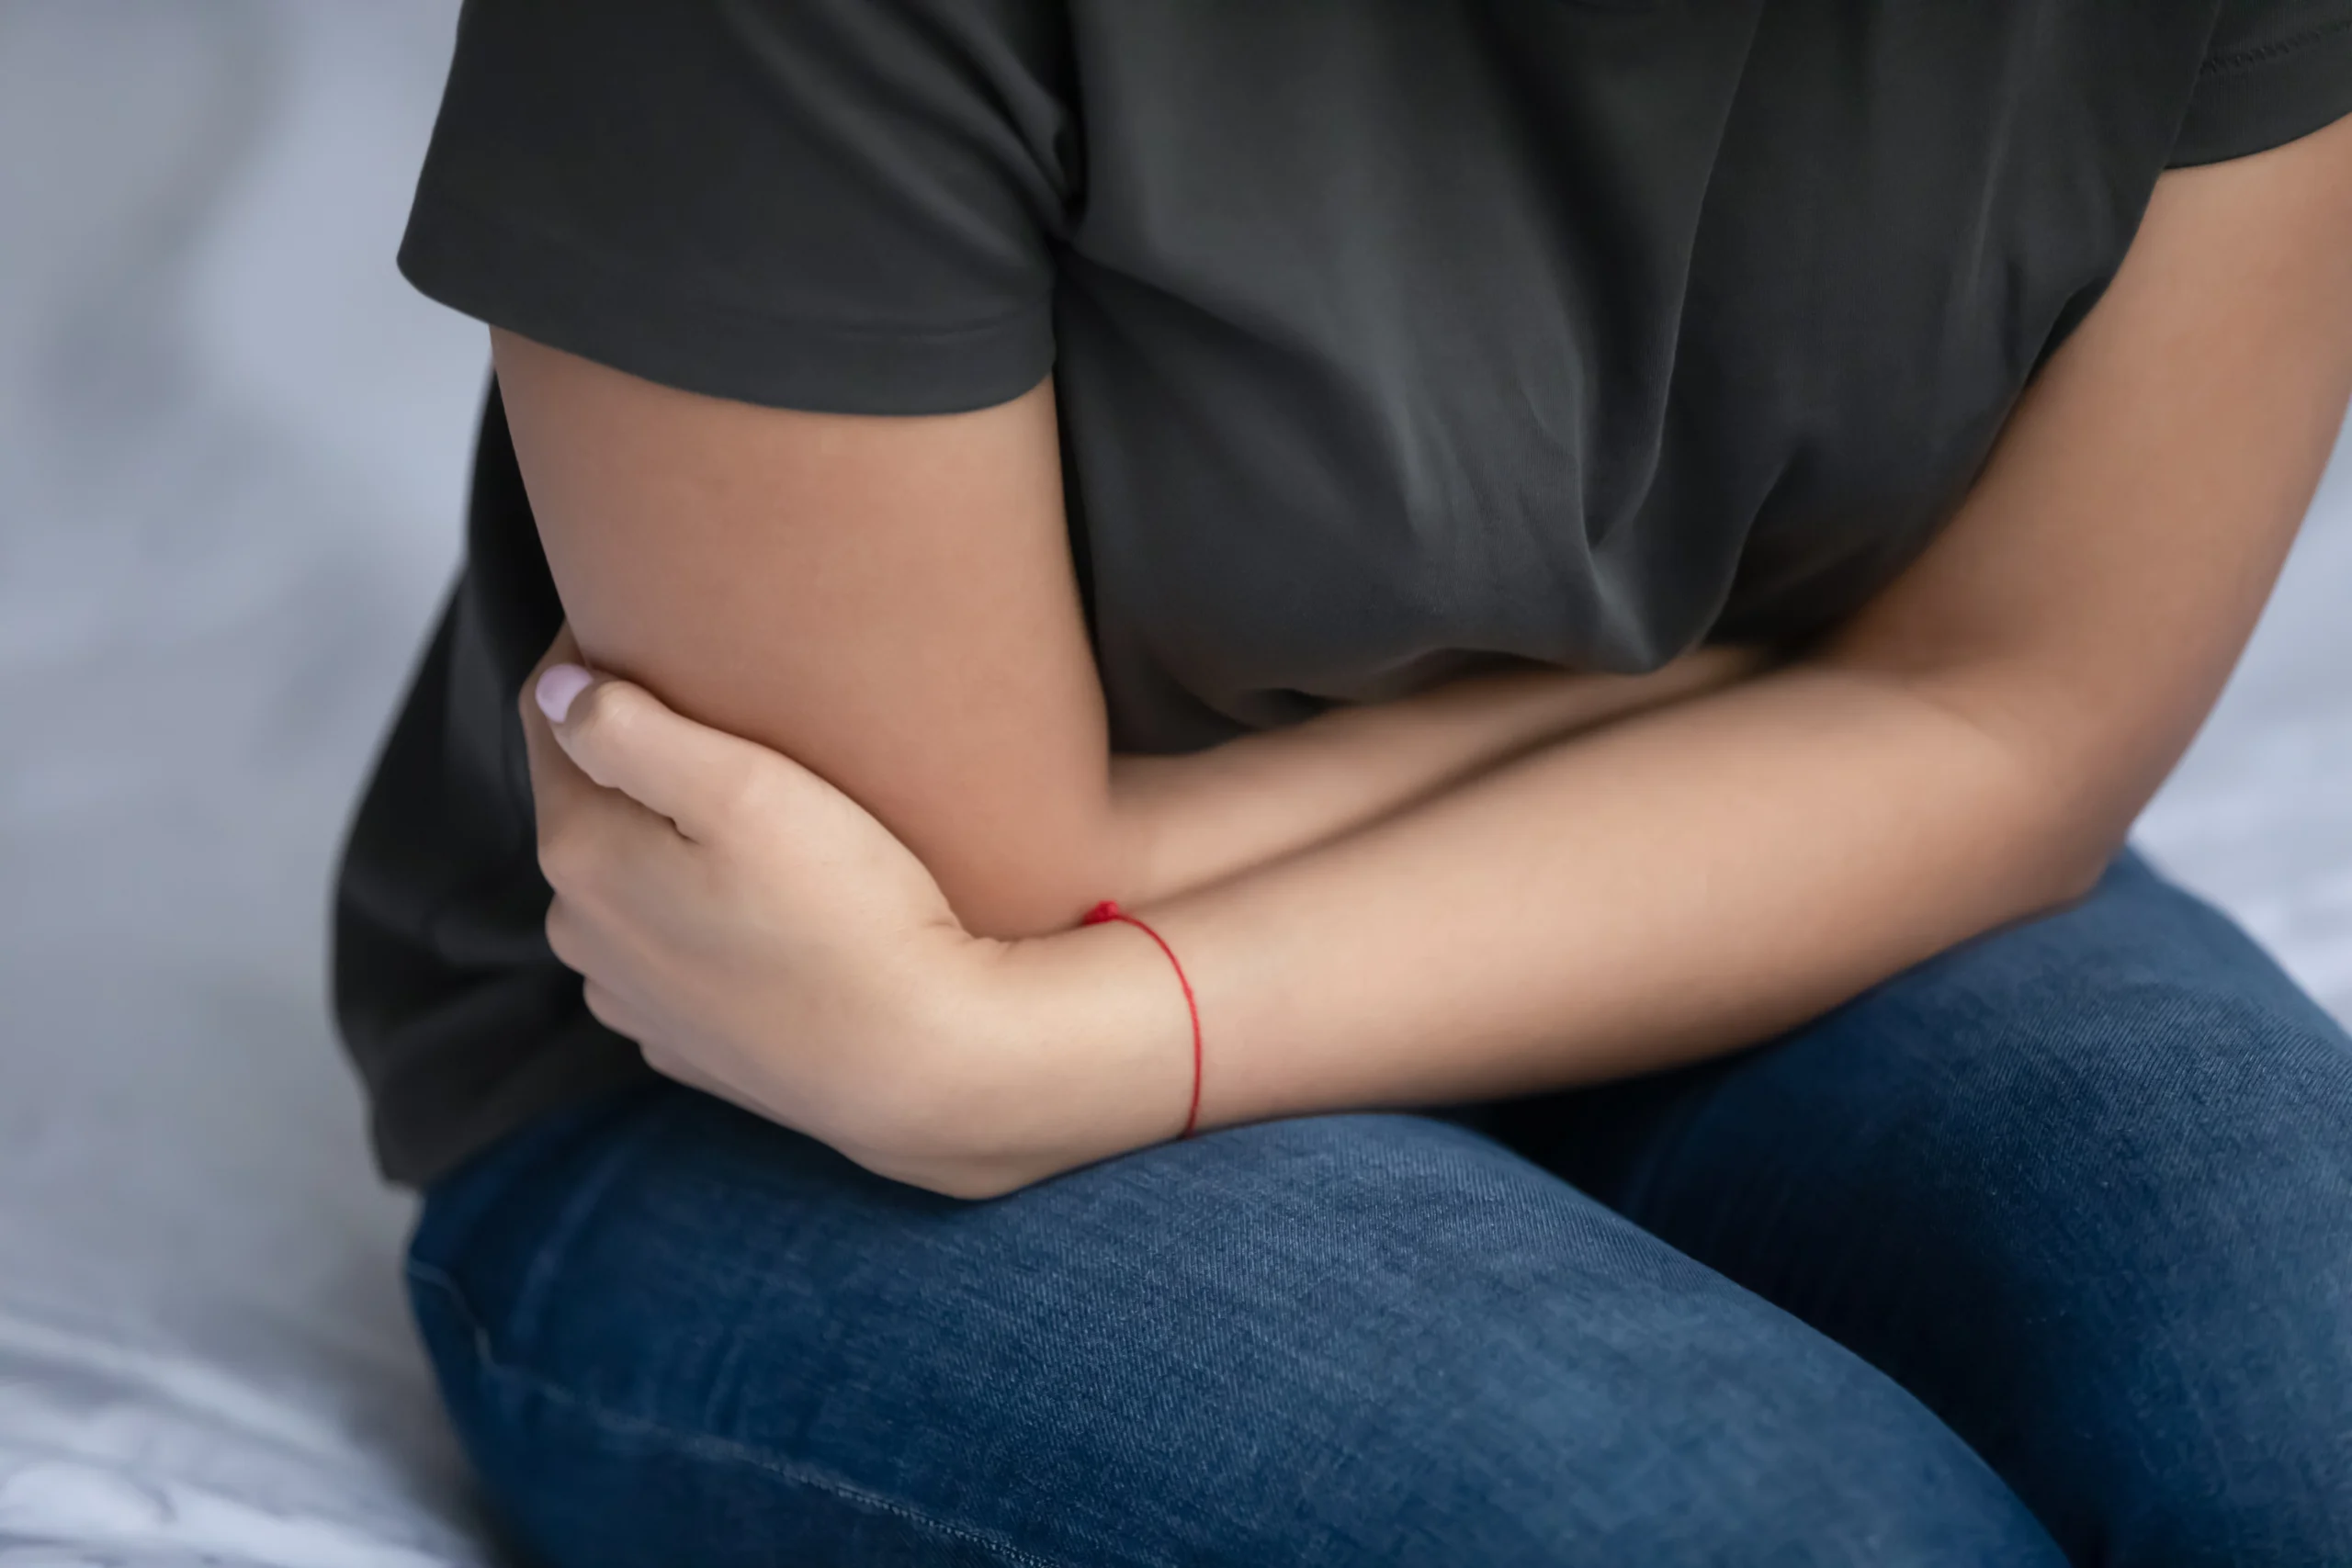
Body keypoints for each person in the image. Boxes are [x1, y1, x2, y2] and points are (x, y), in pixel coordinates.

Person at [338, 2, 2352, 1562]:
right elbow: (956, 903)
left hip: (1746, 893)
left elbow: (2027, 723)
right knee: (1774, 1526)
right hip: (752, 1078)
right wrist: (1856, 711)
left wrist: (1020, 1050)